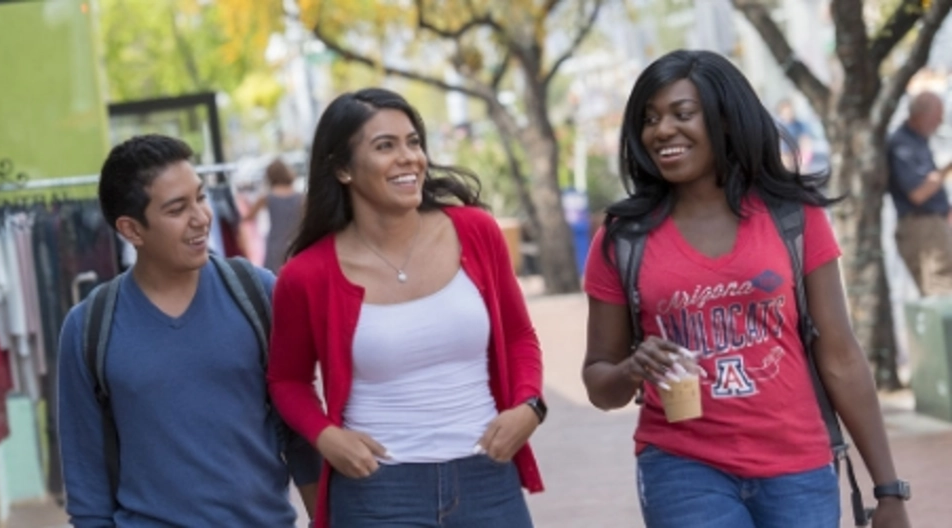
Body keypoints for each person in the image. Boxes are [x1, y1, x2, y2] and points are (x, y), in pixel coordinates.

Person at [581, 50, 910, 528]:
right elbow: (599, 384)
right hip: (683, 467)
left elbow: (839, 355)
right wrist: (633, 369)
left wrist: (889, 490)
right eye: (649, 119)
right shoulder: (622, 239)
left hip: (799, 468)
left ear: (726, 120)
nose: (661, 130)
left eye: (682, 114)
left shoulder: (793, 216)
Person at [267, 88, 545, 528]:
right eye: (385, 146)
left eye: (413, 142)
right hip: (378, 491)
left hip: (487, 475)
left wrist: (530, 407)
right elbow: (287, 378)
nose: (409, 157)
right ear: (342, 168)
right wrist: (326, 436)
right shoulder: (307, 275)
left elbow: (518, 337)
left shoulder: (475, 232)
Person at [56, 134, 320, 527]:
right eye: (178, 208)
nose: (201, 217)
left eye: (200, 197)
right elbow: (87, 487)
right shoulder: (89, 328)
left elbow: (303, 441)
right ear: (132, 230)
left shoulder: (257, 294)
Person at [887, 91, 952, 296]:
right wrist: (946, 169)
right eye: (937, 116)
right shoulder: (901, 143)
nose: (940, 121)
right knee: (942, 291)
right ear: (922, 114)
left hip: (934, 224)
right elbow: (918, 193)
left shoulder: (918, 139)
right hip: (921, 227)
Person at [244, 158, 305, 273]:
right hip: (296, 243)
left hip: (275, 245)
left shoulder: (267, 197)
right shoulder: (301, 197)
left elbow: (249, 217)